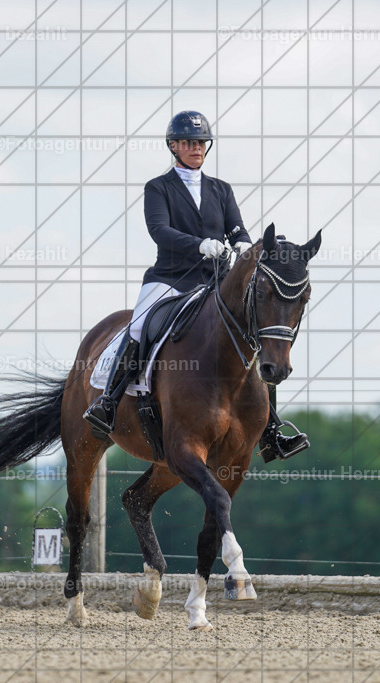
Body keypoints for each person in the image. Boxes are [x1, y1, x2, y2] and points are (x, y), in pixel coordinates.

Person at [82, 110, 309, 461]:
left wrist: (242, 247)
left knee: (254, 337)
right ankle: (108, 404)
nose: (196, 148)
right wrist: (198, 244)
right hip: (170, 280)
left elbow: (237, 228)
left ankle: (271, 429)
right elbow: (159, 231)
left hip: (213, 283)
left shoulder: (221, 189)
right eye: (189, 142)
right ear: (173, 146)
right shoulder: (159, 188)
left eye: (201, 142)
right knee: (140, 327)